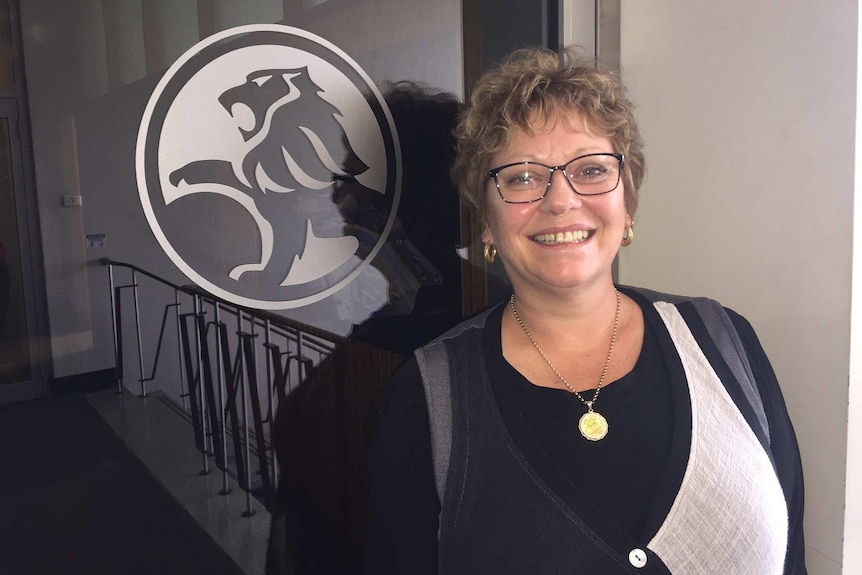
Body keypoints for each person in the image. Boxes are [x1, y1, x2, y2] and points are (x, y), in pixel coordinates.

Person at [365, 46, 807, 575]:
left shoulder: (725, 340)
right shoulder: (428, 397)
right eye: (523, 177)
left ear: (628, 203)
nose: (560, 200)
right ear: (486, 220)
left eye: (592, 169)